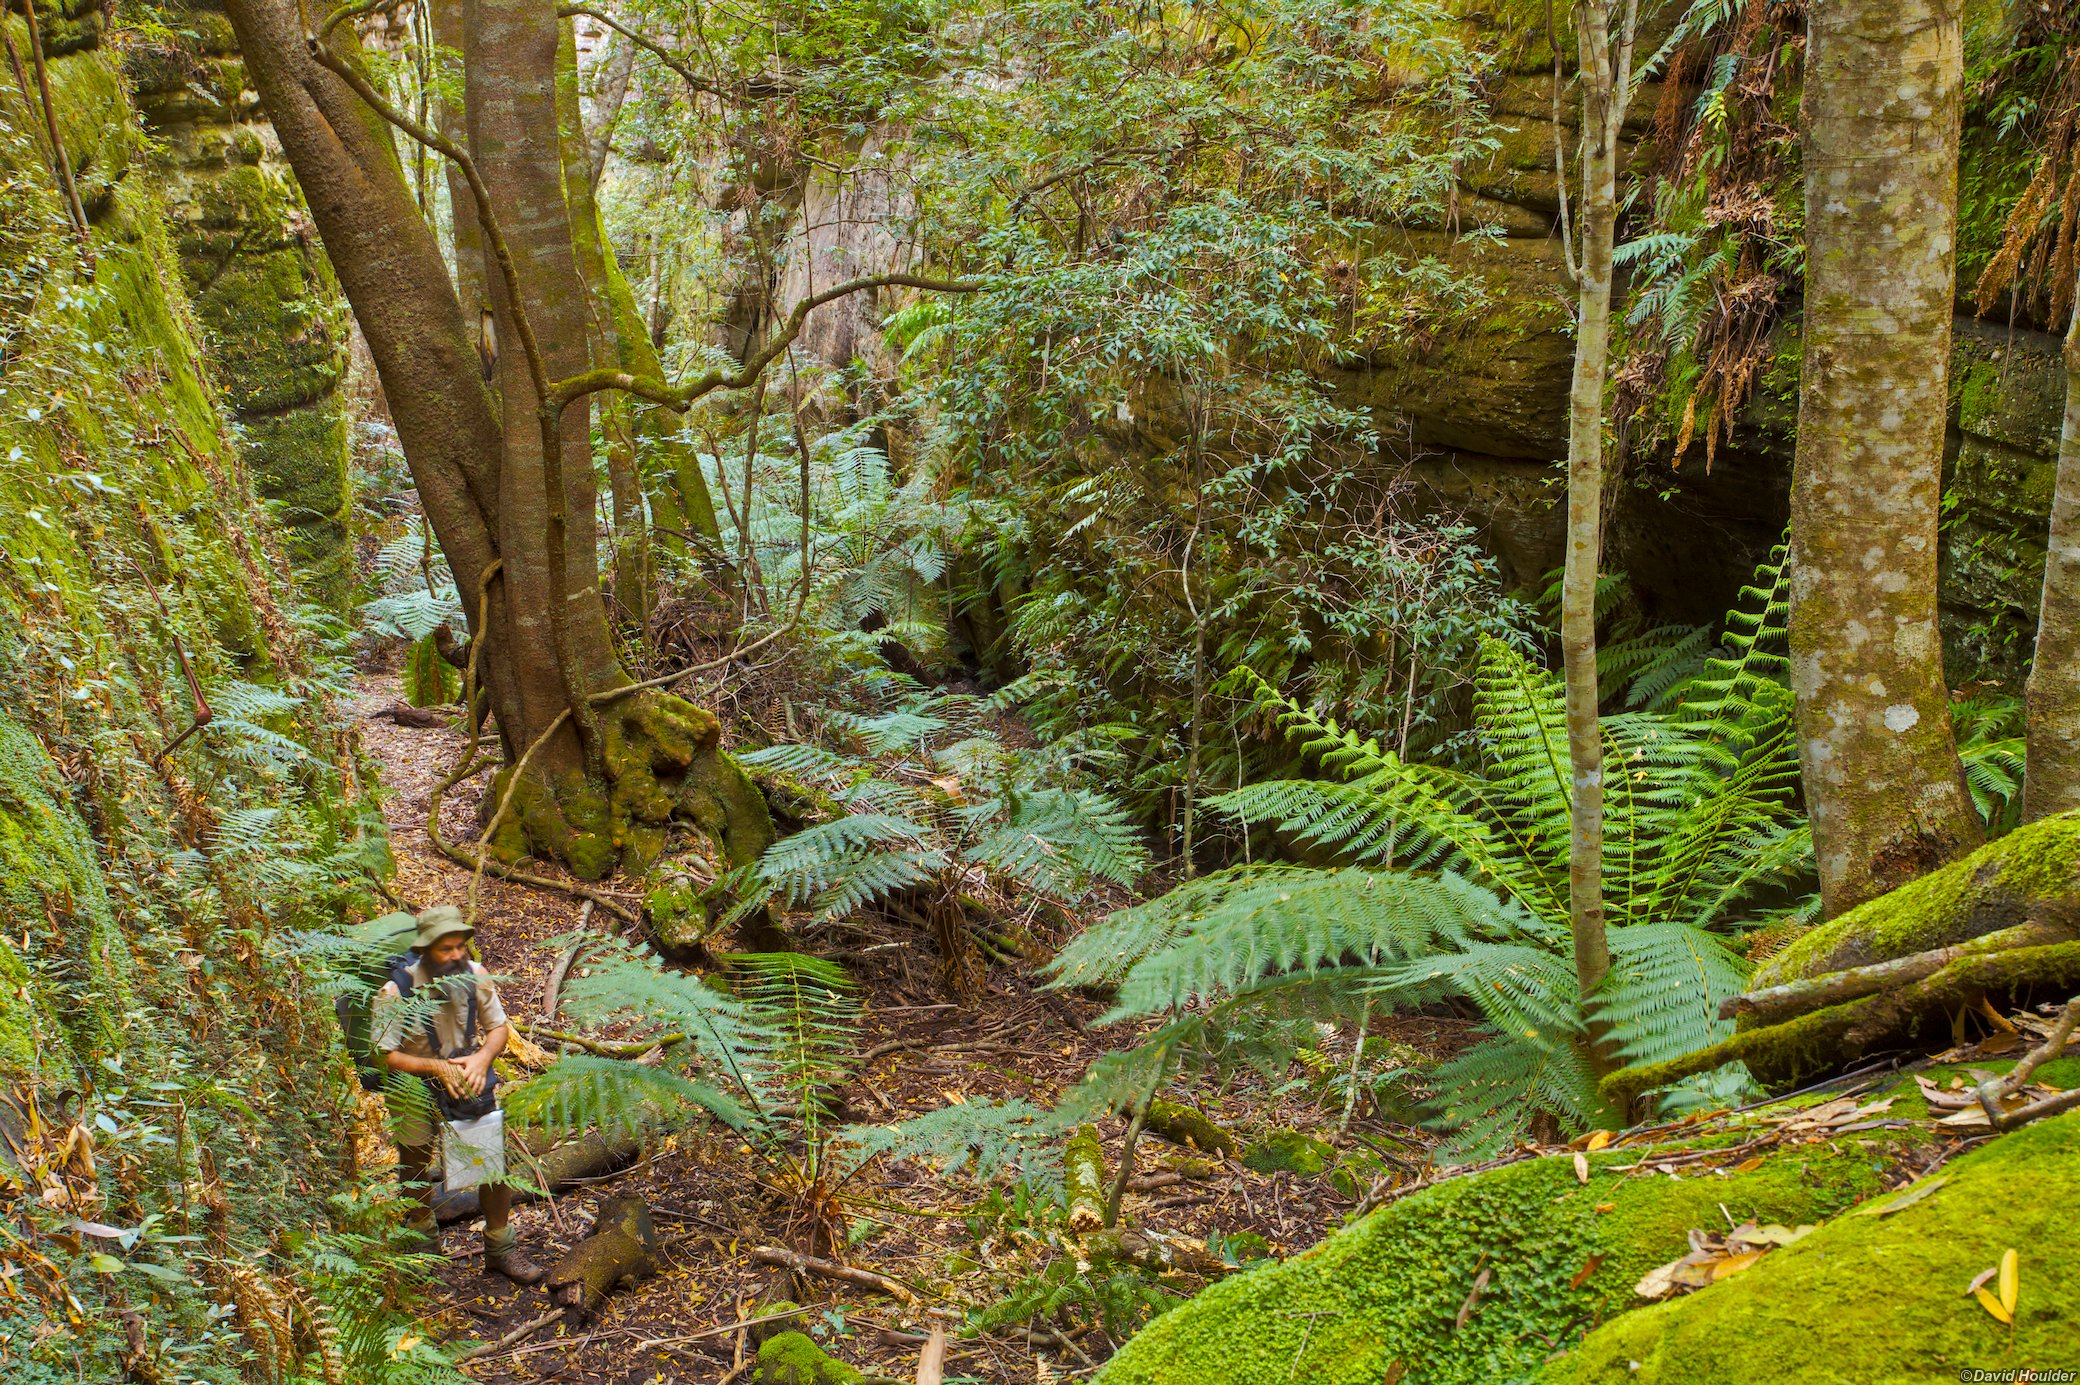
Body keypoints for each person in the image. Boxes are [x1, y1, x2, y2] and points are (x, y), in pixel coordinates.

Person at [370, 905, 545, 1284]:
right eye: (445, 949)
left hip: (468, 1075)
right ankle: (423, 1245)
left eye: (460, 947)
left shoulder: (476, 975)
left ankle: (501, 1249)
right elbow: (384, 1053)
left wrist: (482, 1058)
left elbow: (498, 1027)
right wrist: (436, 1068)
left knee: (490, 1165)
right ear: (426, 948)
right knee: (414, 1162)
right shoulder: (395, 990)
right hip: (413, 1081)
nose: (455, 955)